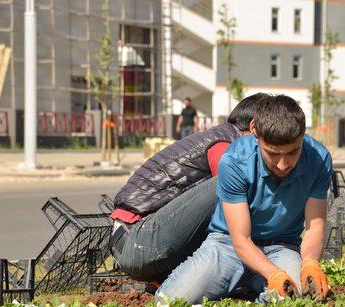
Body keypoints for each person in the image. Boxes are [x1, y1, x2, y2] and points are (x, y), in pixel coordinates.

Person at [156, 94, 333, 304]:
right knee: (170, 301)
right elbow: (241, 240)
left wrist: (310, 262)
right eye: (273, 154)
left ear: (303, 135)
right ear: (255, 132)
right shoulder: (234, 161)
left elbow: (314, 227)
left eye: (293, 152)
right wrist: (273, 274)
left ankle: (246, 287)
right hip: (227, 244)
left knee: (297, 300)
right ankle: (250, 286)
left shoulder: (319, 159)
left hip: (282, 246)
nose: (283, 164)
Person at [110, 93, 269, 283]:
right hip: (136, 240)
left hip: (137, 240)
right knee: (230, 181)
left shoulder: (223, 136)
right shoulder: (224, 144)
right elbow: (236, 197)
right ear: (254, 126)